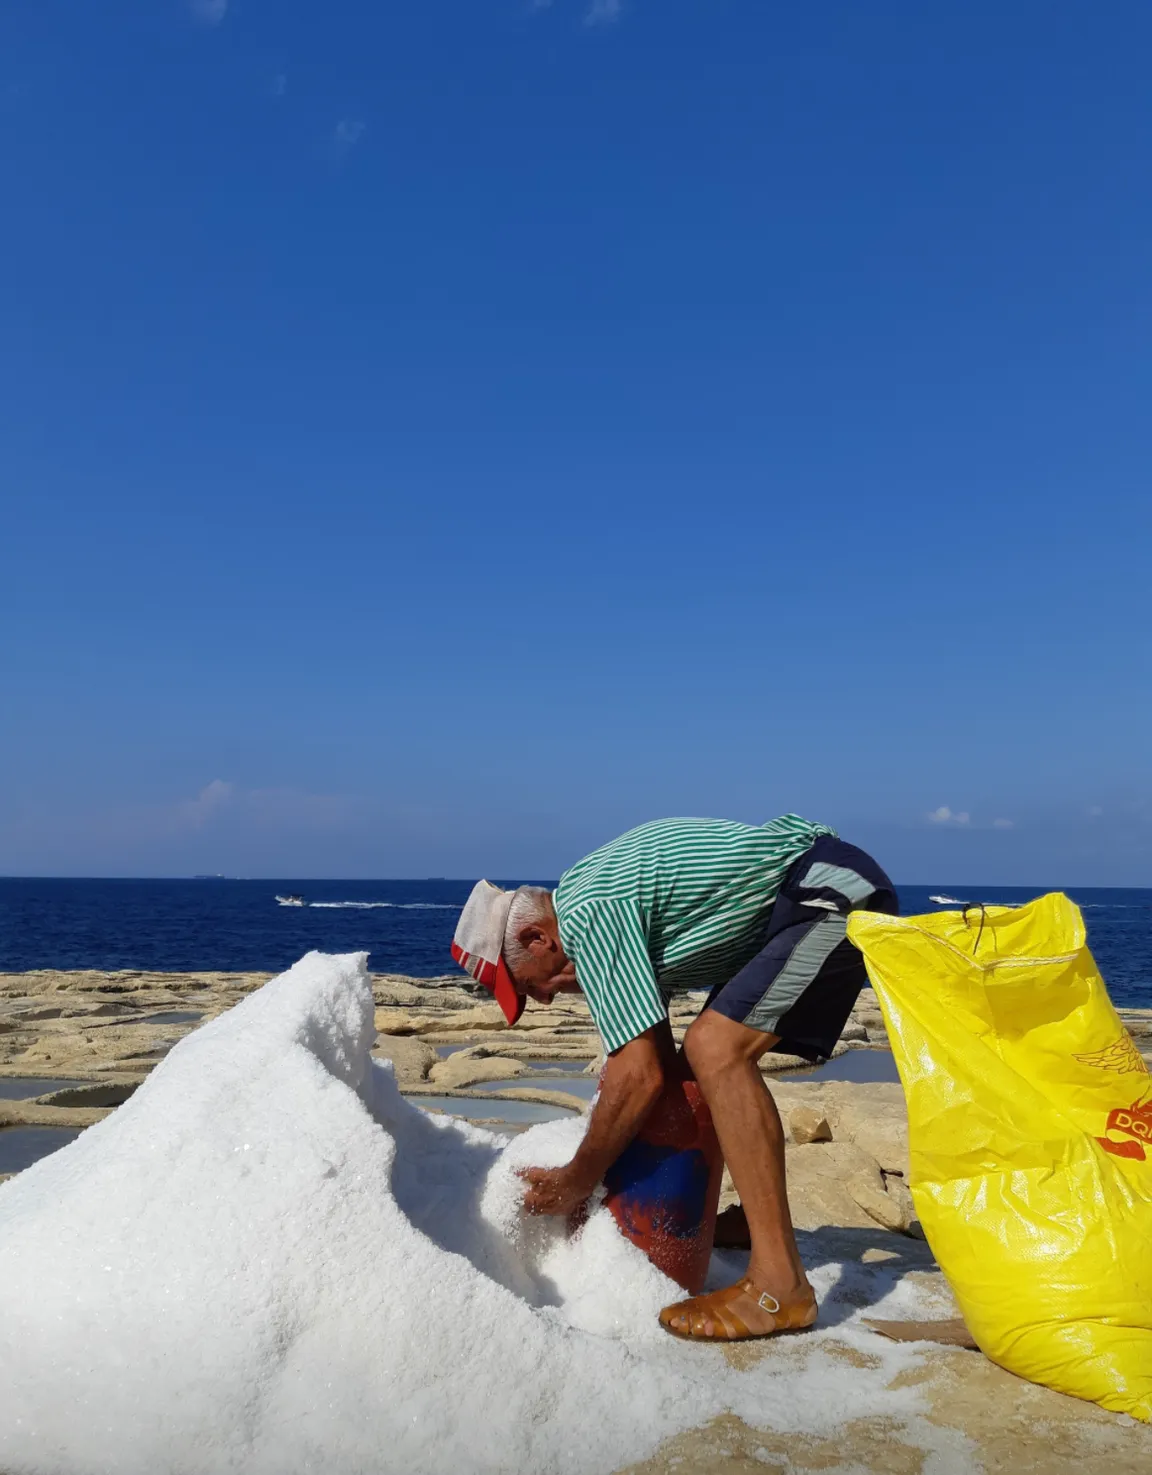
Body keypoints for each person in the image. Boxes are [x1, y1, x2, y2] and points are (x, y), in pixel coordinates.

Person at [450, 814, 897, 1342]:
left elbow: (637, 1077)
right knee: (694, 1068)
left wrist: (578, 1178)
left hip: (827, 891)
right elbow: (650, 1062)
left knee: (716, 1049)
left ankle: (780, 1286)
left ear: (538, 938)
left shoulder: (588, 912)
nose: (544, 1000)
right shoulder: (599, 911)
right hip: (794, 905)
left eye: (531, 987)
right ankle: (734, 1223)